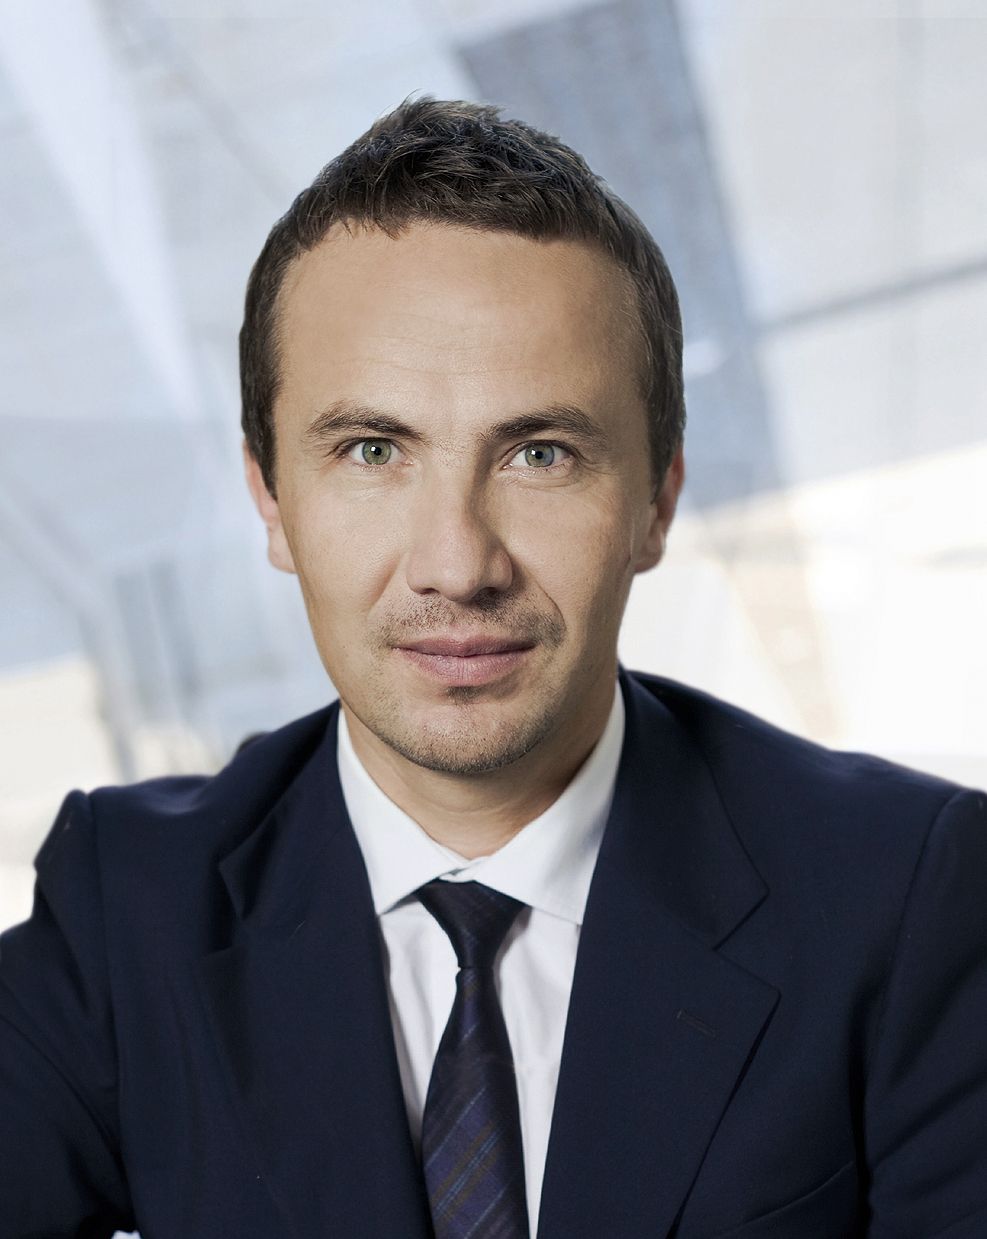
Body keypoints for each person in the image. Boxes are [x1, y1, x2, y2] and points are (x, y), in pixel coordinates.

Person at [1, 97, 985, 1239]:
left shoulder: (911, 899)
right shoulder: (127, 909)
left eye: (541, 453)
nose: (458, 564)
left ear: (657, 501)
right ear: (271, 499)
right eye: (373, 450)